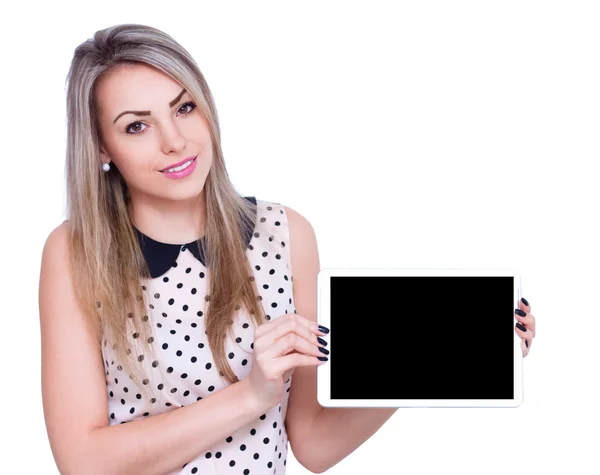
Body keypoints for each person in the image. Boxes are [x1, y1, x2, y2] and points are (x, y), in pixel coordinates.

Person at [38, 23, 537, 475]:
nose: (175, 141)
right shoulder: (75, 253)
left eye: (184, 108)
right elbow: (83, 462)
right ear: (101, 147)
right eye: (137, 126)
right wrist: (250, 395)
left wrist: (426, 361)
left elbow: (313, 444)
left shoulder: (285, 234)